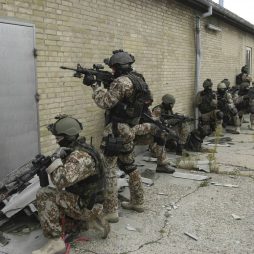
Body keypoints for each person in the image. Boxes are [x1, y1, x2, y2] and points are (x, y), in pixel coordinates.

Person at [32, 115, 109, 254]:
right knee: (67, 225)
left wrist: (54, 160)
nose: (56, 140)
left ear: (68, 135)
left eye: (58, 137)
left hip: (87, 206)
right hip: (92, 202)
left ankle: (55, 242)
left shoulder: (80, 156)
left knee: (44, 194)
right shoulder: (83, 148)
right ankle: (90, 222)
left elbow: (60, 182)